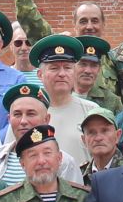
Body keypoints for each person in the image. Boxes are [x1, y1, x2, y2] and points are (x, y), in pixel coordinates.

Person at [31, 34, 102, 164]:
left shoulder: (91, 111)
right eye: (54, 68)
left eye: (68, 68)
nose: (62, 74)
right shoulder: (27, 113)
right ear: (40, 74)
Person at [81, 105, 123, 174]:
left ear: (117, 136)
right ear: (84, 140)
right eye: (91, 132)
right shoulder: (80, 174)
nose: (98, 138)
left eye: (105, 131)